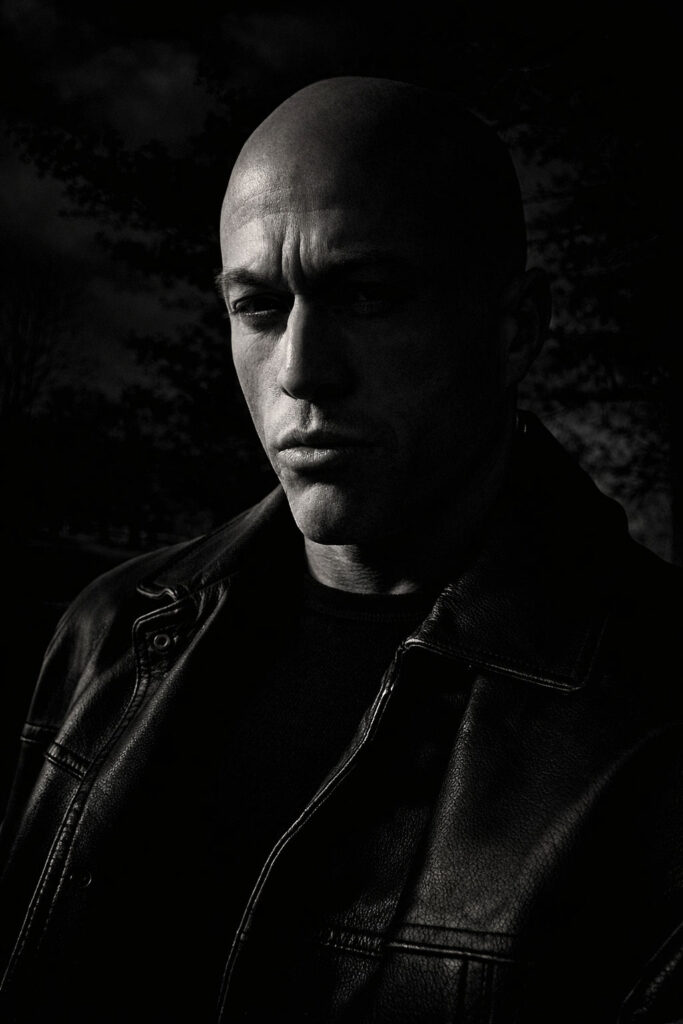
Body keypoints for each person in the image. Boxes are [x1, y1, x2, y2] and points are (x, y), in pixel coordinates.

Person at [0, 76, 681, 1024]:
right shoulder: (111, 634)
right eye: (257, 308)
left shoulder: (658, 718)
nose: (301, 371)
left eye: (368, 296)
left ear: (515, 328)